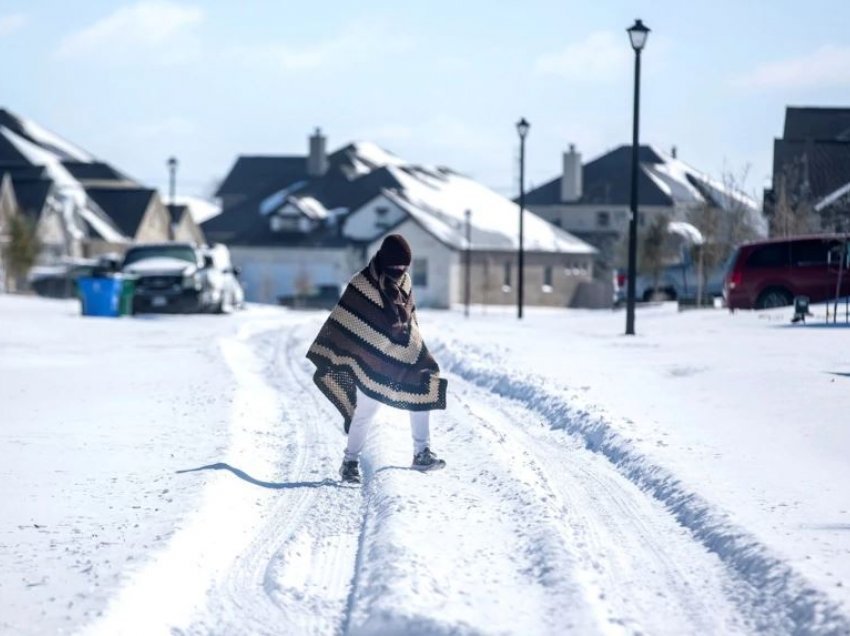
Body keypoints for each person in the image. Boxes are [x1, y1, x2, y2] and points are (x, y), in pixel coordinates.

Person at [306, 234, 448, 484]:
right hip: (370, 359)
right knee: (366, 411)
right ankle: (350, 462)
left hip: (402, 355)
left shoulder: (405, 281)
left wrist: (414, 347)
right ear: (385, 261)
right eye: (396, 266)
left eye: (405, 267)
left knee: (423, 387)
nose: (400, 271)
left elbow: (410, 320)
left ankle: (422, 452)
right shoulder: (362, 283)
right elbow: (346, 320)